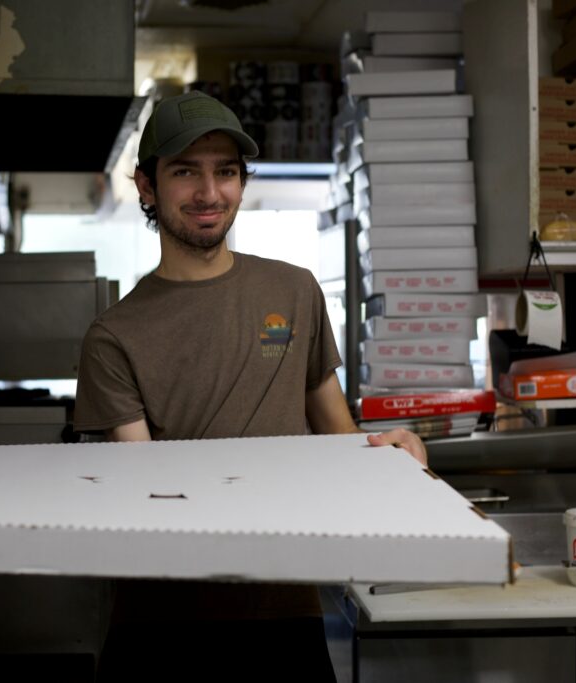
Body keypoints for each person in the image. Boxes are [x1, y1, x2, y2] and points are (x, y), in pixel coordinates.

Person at [73, 90, 427, 682]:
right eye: (186, 171)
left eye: (226, 172)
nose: (210, 194)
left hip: (283, 612)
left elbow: (338, 436)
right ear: (147, 186)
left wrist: (386, 458)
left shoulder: (295, 291)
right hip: (162, 626)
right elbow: (147, 500)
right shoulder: (114, 335)